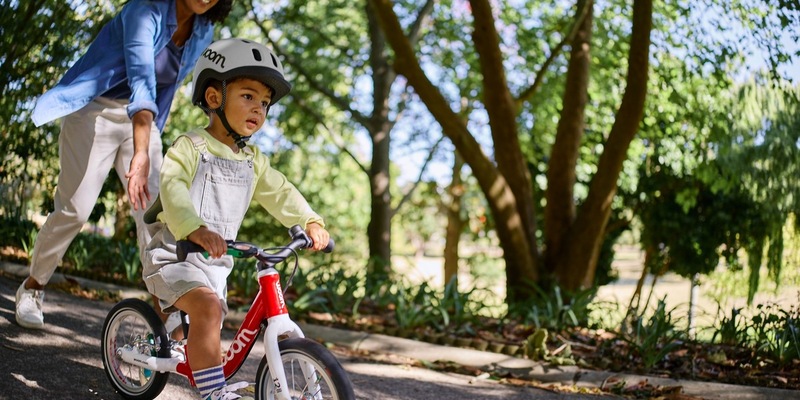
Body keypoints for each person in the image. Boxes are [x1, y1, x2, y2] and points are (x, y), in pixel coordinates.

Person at [15, 0, 233, 330]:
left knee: (160, 214)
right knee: (74, 210)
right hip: (95, 112)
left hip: (144, 125)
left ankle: (168, 304)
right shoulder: (144, 11)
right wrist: (141, 153)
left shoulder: (204, 31)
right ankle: (33, 287)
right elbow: (142, 79)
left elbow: (170, 86)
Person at [141, 38, 330, 400]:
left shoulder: (252, 160)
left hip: (215, 263)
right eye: (248, 96)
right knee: (208, 310)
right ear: (214, 98)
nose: (259, 108)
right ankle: (213, 392)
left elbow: (281, 191)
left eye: (265, 102)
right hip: (174, 254)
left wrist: (309, 221)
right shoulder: (191, 147)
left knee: (205, 319)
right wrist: (193, 228)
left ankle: (167, 339)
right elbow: (173, 186)